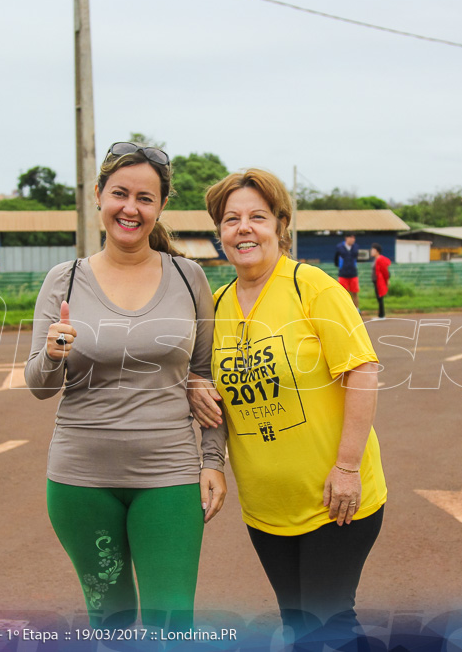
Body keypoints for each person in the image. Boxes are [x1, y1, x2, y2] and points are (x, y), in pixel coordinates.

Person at [23, 142, 227, 631]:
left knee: (173, 623)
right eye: (120, 193)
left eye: (145, 198)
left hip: (169, 475)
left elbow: (208, 380)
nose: (130, 208)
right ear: (99, 196)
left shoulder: (188, 276)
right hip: (80, 480)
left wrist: (212, 460)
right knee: (110, 623)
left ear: (160, 208)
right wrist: (53, 353)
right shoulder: (64, 280)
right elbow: (38, 385)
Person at [197, 168, 385, 646]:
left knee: (330, 624)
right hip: (266, 508)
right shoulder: (216, 306)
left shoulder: (312, 287)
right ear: (218, 232)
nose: (243, 228)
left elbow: (363, 372)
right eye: (231, 219)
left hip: (334, 500)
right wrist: (210, 460)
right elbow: (212, 399)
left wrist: (346, 467)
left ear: (280, 224)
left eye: (257, 217)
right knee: (301, 624)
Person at [334, 232, 360, 308]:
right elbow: (336, 259)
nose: (353, 239)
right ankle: (344, 308)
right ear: (347, 238)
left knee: (355, 292)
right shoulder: (339, 247)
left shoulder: (356, 247)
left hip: (353, 273)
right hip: (343, 274)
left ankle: (357, 309)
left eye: (354, 238)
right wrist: (340, 267)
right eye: (351, 237)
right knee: (343, 293)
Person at [369, 243, 391, 319]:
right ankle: (380, 315)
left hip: (379, 281)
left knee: (380, 297)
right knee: (379, 297)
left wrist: (387, 280)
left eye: (373, 250)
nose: (371, 251)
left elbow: (385, 271)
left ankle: (381, 315)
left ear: (377, 251)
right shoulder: (376, 259)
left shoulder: (380, 259)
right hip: (376, 280)